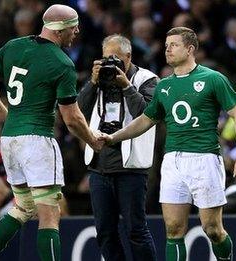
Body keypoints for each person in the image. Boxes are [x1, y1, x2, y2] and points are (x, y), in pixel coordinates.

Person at [100, 27, 236, 261]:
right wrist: (114, 137)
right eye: (166, 45)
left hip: (205, 158)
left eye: (174, 45)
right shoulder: (164, 86)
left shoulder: (212, 79)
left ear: (190, 49)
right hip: (173, 161)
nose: (167, 49)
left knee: (212, 229)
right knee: (173, 230)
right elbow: (145, 120)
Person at [0, 4, 103, 261]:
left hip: (10, 139)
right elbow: (72, 118)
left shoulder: (13, 47)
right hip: (38, 141)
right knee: (49, 215)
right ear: (59, 30)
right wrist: (92, 140)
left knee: (23, 206)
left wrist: (7, 116)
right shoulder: (61, 63)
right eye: (73, 26)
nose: (77, 31)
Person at [77, 34, 158, 261]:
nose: (110, 62)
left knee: (136, 231)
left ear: (128, 56)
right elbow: (78, 110)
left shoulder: (147, 79)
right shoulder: (99, 79)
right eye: (106, 57)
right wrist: (92, 83)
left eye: (115, 57)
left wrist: (127, 86)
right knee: (105, 232)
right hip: (99, 166)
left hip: (130, 167)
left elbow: (148, 115)